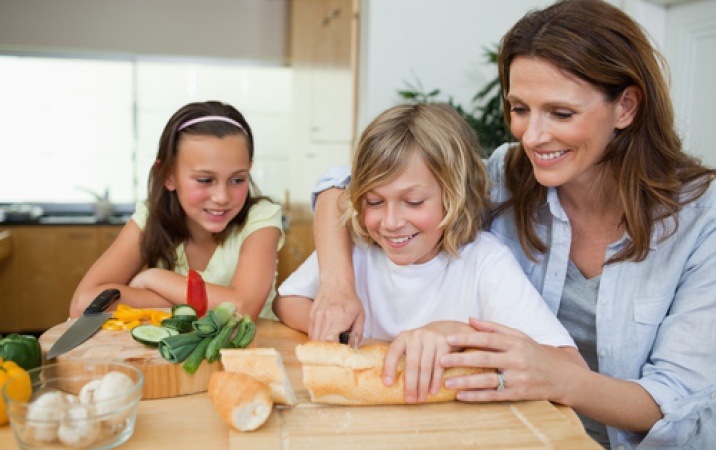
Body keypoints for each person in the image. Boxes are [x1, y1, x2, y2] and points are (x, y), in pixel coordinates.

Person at [306, 0, 716, 448]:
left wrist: (554, 375)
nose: (532, 136)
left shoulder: (702, 218)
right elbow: (341, 187)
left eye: (561, 113)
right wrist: (338, 285)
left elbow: (675, 400)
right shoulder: (507, 176)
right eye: (520, 108)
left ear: (626, 107)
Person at [274, 103, 583, 404]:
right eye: (374, 201)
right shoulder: (358, 246)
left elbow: (568, 365)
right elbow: (286, 301)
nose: (391, 222)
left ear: (454, 197)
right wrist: (368, 343)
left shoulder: (485, 261)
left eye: (414, 202)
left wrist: (456, 337)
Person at [70, 101, 283, 321]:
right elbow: (83, 304)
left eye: (237, 179)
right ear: (168, 176)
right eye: (205, 180)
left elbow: (242, 308)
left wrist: (154, 279)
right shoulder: (150, 216)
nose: (222, 197)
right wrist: (205, 303)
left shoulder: (261, 218)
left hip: (252, 352)